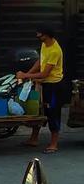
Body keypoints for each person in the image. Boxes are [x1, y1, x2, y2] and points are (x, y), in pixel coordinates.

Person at [17, 25, 65, 154]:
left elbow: (45, 74)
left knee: (53, 113)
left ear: (47, 35)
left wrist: (25, 75)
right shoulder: (45, 45)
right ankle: (34, 138)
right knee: (38, 110)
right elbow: (40, 61)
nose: (38, 37)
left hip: (53, 86)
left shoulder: (55, 50)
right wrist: (28, 73)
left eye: (41, 35)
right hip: (43, 84)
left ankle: (54, 143)